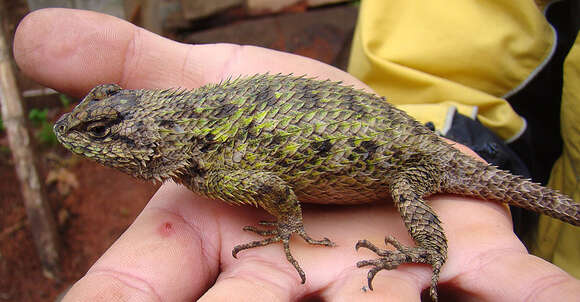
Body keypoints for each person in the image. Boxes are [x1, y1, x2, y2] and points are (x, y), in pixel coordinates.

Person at [14, 8, 580, 301]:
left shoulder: (208, 166)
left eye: (110, 133)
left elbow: (277, 188)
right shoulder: (194, 132)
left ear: (145, 143)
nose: (97, 142)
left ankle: (429, 249)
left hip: (408, 156)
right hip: (424, 132)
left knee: (412, 191)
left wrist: (287, 226)